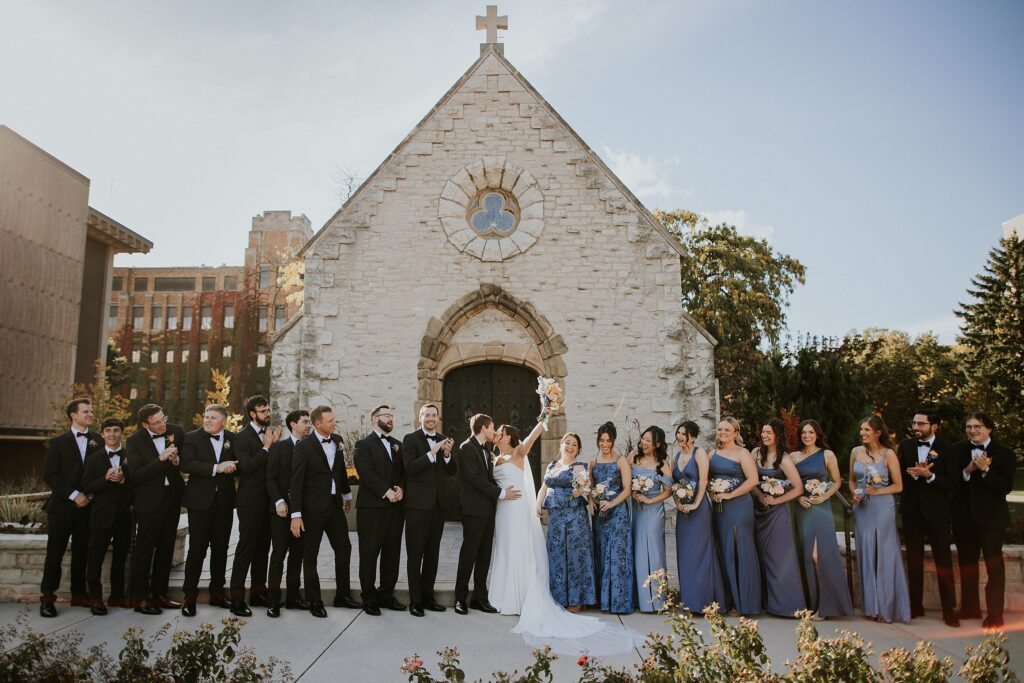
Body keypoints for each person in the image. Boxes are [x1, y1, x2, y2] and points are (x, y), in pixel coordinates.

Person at [289, 405, 361, 618]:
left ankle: (343, 596)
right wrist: (296, 515)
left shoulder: (337, 440)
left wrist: (347, 495)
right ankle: (314, 600)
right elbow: (296, 483)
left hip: (333, 506)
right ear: (317, 423)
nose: (334, 423)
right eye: (330, 421)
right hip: (312, 510)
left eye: (334, 419)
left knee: (344, 548)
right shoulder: (303, 446)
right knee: (310, 555)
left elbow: (339, 471)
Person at [951, 412, 1016, 630]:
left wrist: (986, 470)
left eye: (977, 426)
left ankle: (995, 615)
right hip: (964, 519)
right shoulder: (957, 450)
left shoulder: (1005, 454)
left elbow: (1004, 487)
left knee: (994, 566)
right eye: (969, 427)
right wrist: (967, 471)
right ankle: (970, 608)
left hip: (991, 520)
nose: (972, 431)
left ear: (989, 429)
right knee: (967, 565)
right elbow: (952, 483)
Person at [454, 413, 521, 615]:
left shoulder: (487, 450)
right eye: (492, 428)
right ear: (483, 428)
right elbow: (475, 479)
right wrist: (501, 493)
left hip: (489, 510)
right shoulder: (466, 448)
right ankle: (460, 598)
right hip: (473, 511)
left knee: (484, 556)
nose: (494, 432)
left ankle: (479, 598)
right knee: (469, 554)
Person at [898, 409, 958, 626]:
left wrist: (930, 476)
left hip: (937, 513)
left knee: (943, 560)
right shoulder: (905, 446)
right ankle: (915, 605)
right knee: (914, 560)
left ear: (934, 426)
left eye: (921, 424)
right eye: (914, 423)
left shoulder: (948, 449)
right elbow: (899, 475)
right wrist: (911, 474)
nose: (916, 428)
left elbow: (953, 484)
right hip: (912, 511)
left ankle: (948, 609)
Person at [40, 398, 99, 617]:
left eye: (91, 411)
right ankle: (47, 599)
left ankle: (79, 594)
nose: (90, 414)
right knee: (54, 554)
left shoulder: (98, 440)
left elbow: (100, 472)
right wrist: (74, 495)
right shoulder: (58, 443)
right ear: (73, 415)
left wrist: (89, 495)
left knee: (82, 553)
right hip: (61, 508)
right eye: (86, 411)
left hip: (88, 507)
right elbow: (50, 475)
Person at [125, 404, 186, 615]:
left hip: (172, 500)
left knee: (166, 549)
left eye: (163, 419)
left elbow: (185, 461)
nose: (162, 425)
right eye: (157, 422)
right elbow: (136, 476)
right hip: (149, 503)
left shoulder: (176, 431)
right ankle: (140, 599)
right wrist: (159, 460)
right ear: (145, 424)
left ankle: (160, 595)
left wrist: (177, 460)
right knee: (144, 551)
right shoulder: (134, 441)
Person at [849, 415, 910, 624]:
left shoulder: (888, 455)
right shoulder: (855, 452)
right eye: (861, 430)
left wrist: (877, 490)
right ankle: (870, 606)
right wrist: (856, 493)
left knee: (884, 555)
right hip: (862, 509)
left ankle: (886, 607)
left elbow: (899, 486)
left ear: (878, 433)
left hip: (883, 507)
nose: (862, 433)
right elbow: (850, 480)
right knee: (866, 553)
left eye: (867, 430)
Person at [179, 404, 238, 617]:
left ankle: (217, 594)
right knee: (197, 551)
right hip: (199, 503)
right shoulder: (192, 437)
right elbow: (186, 464)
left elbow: (241, 463)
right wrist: (217, 468)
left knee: (221, 550)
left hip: (224, 503)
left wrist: (234, 466)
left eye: (213, 417)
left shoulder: (233, 438)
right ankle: (189, 598)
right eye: (206, 416)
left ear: (223, 421)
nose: (207, 420)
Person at [791, 419, 852, 619]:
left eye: (811, 432)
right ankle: (811, 604)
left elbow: (836, 481)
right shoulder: (793, 457)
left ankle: (827, 607)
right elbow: (790, 483)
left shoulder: (827, 455)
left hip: (820, 509)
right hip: (802, 511)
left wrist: (825, 495)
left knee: (819, 557)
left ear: (817, 434)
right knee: (806, 556)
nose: (807, 436)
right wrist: (799, 497)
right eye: (803, 432)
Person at [402, 403, 457, 617]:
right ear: (420, 417)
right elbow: (410, 468)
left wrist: (446, 455)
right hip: (416, 506)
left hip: (438, 506)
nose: (431, 418)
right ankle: (415, 601)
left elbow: (452, 471)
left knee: (432, 554)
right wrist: (433, 451)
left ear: (438, 417)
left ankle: (428, 597)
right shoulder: (410, 439)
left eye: (434, 415)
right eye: (427, 415)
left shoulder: (444, 438)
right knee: (415, 554)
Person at [489, 415, 546, 614]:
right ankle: (502, 594)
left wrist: (545, 414)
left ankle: (518, 596)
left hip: (516, 508)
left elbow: (532, 436)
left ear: (508, 437)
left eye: (500, 432)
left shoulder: (518, 453)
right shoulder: (495, 458)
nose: (496, 433)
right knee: (504, 547)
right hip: (502, 509)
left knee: (516, 546)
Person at [354, 405, 407, 616]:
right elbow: (365, 473)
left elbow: (404, 472)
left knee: (391, 554)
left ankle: (386, 595)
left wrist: (401, 487)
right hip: (372, 508)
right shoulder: (363, 444)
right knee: (369, 554)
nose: (391, 419)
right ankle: (369, 598)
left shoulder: (397, 445)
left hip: (395, 509)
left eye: (392, 415)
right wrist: (386, 492)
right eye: (387, 415)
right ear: (374, 419)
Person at [229, 395, 279, 615]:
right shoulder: (242, 437)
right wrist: (267, 448)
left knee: (262, 550)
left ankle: (259, 594)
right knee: (245, 549)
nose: (267, 414)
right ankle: (237, 600)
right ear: (252, 414)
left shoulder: (271, 434)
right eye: (262, 411)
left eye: (268, 410)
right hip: (249, 502)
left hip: (269, 501)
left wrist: (274, 445)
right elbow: (247, 468)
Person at [751, 419, 805, 617]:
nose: (764, 436)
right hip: (758, 511)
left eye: (769, 433)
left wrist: (776, 500)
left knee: (778, 558)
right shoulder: (755, 453)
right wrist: (759, 496)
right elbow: (750, 479)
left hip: (777, 514)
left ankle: (785, 605)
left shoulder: (784, 458)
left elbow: (798, 488)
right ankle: (765, 602)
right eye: (763, 432)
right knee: (760, 556)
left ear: (777, 436)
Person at [707, 417, 761, 616]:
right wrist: (710, 490)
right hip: (719, 509)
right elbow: (706, 478)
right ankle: (728, 599)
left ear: (736, 433)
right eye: (720, 429)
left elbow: (753, 480)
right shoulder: (712, 453)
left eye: (727, 430)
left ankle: (744, 603)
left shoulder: (742, 453)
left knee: (739, 550)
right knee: (724, 552)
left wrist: (729, 494)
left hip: (739, 507)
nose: (722, 432)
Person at [537, 432, 596, 611]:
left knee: (575, 556)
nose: (570, 447)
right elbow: (544, 487)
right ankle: (559, 597)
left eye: (574, 445)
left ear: (578, 450)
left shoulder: (578, 467)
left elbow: (587, 489)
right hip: (555, 517)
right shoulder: (552, 466)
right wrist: (537, 504)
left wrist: (583, 491)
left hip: (574, 516)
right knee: (556, 555)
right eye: (567, 443)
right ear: (561, 444)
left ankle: (577, 599)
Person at [671, 420, 726, 614]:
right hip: (683, 512)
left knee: (701, 554)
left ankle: (704, 603)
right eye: (678, 432)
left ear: (693, 437)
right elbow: (674, 484)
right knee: (686, 555)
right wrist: (678, 504)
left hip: (699, 510)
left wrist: (695, 503)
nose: (679, 436)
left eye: (683, 433)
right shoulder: (676, 456)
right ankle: (689, 602)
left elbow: (703, 480)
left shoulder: (699, 453)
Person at [80, 417, 132, 615]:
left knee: (120, 559)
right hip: (100, 516)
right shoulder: (94, 459)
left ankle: (117, 596)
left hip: (123, 516)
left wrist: (123, 479)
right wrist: (105, 479)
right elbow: (86, 486)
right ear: (102, 434)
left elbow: (137, 485)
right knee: (95, 559)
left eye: (116, 430)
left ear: (121, 433)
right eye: (108, 431)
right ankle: (96, 599)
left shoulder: (130, 456)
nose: (112, 434)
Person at [265, 409, 311, 617]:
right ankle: (273, 600)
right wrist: (279, 501)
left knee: (297, 555)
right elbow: (270, 478)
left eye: (310, 421)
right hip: (282, 511)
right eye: (305, 421)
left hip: (303, 511)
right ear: (293, 424)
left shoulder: (311, 448)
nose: (309, 425)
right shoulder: (279, 448)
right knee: (279, 554)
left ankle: (293, 598)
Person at [591, 421, 635, 614]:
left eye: (608, 440)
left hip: (618, 513)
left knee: (617, 556)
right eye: (602, 440)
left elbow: (628, 490)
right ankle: (604, 601)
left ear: (613, 441)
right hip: (600, 515)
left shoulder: (621, 461)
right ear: (598, 441)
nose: (605, 444)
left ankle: (619, 602)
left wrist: (612, 503)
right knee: (602, 554)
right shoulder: (593, 462)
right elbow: (590, 488)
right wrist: (591, 501)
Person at [630, 425, 674, 613]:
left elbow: (668, 491)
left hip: (654, 510)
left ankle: (657, 599)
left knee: (654, 551)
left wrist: (649, 499)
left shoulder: (662, 464)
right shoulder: (634, 457)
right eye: (643, 439)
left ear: (657, 444)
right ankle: (639, 599)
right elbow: (624, 479)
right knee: (637, 549)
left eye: (648, 440)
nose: (644, 443)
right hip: (637, 510)